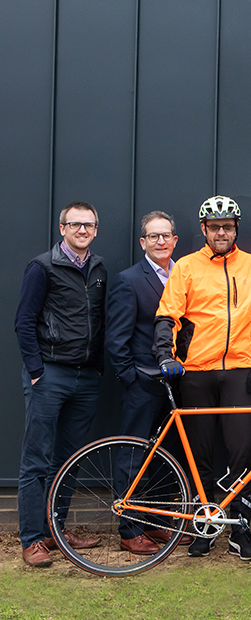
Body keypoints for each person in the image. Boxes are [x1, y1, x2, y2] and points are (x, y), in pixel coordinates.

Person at [153, 195, 251, 562]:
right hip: (196, 372)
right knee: (200, 453)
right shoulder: (186, 267)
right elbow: (168, 316)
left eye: (227, 227)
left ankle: (240, 529)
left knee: (242, 451)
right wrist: (165, 356)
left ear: (236, 229)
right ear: (204, 230)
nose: (221, 232)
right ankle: (204, 527)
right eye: (214, 227)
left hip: (239, 372)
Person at [15, 201, 106, 568]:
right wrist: (36, 370)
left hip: (85, 378)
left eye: (89, 225)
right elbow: (24, 321)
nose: (82, 230)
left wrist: (97, 367)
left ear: (96, 230)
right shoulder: (42, 267)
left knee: (68, 460)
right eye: (75, 224)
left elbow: (99, 320)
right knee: (36, 460)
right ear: (62, 228)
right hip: (49, 374)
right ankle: (31, 539)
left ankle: (54, 530)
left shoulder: (98, 269)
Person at [106, 211, 194, 555]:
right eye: (153, 236)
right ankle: (129, 530)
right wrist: (131, 377)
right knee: (133, 455)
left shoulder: (184, 274)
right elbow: (117, 338)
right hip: (142, 383)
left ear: (175, 240)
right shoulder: (129, 280)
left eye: (166, 235)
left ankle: (155, 522)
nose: (161, 241)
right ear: (143, 242)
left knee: (164, 457)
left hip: (176, 384)